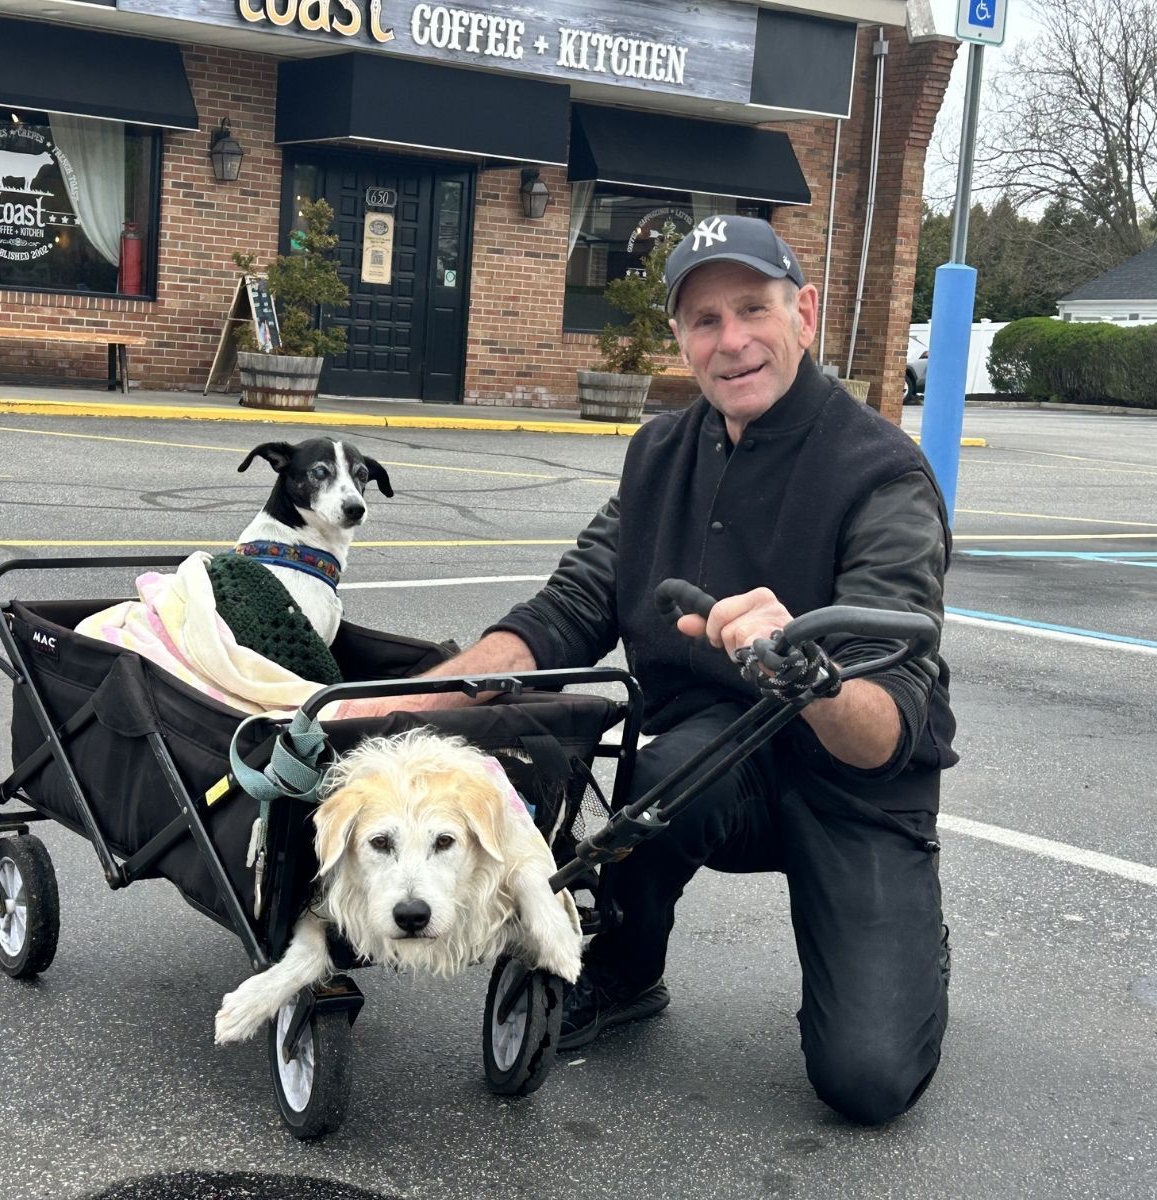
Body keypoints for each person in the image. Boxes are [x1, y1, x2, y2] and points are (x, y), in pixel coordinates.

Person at [335, 214, 957, 1125]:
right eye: (705, 320)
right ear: (681, 338)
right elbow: (568, 608)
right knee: (662, 770)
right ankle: (624, 972)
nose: (732, 339)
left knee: (865, 1082)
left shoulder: (883, 475)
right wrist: (414, 707)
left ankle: (909, 944)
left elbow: (883, 731)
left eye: (754, 308)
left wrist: (806, 667)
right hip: (719, 760)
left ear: (806, 313)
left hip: (856, 786)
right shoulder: (660, 452)